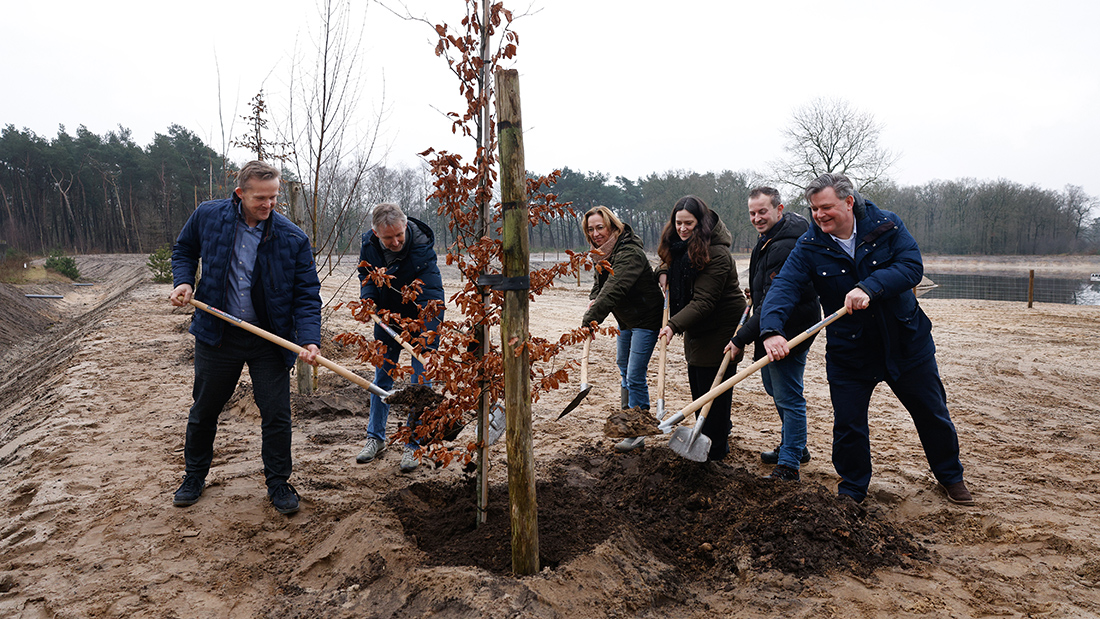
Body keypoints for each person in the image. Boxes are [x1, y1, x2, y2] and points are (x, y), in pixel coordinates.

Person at [759, 173, 973, 505]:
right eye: (814, 209)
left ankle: (950, 477)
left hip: (906, 342)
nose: (819, 215)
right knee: (849, 424)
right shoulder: (810, 244)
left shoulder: (887, 225)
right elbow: (784, 286)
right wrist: (771, 330)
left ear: (848, 201)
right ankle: (853, 488)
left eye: (826, 207)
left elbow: (910, 266)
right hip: (850, 350)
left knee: (932, 413)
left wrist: (869, 287)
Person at [169, 160, 322, 516]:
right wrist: (183, 280)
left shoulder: (292, 238)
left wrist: (309, 339)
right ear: (240, 193)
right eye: (260, 198)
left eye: (273, 198)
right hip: (217, 333)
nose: (268, 205)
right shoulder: (208, 216)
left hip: (269, 338)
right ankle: (194, 477)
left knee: (277, 414)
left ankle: (279, 482)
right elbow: (185, 249)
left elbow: (306, 294)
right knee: (205, 409)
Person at [726, 187, 820, 481]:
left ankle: (790, 462)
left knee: (789, 394)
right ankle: (797, 446)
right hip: (773, 325)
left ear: (779, 209)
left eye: (763, 211)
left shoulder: (785, 245)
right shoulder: (769, 239)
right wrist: (754, 290)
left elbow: (773, 301)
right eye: (752, 213)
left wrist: (740, 338)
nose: (757, 218)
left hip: (789, 328)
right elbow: (765, 293)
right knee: (773, 385)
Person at [354, 202, 444, 473]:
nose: (394, 242)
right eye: (387, 238)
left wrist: (426, 336)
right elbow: (366, 275)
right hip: (386, 318)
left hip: (422, 319)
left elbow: (432, 293)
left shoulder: (421, 248)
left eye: (398, 236)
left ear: (405, 227)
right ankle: (375, 438)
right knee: (382, 378)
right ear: (375, 233)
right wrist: (368, 298)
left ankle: (414, 444)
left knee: (421, 382)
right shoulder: (369, 245)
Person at [657, 196, 747, 461]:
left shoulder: (716, 253)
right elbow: (669, 259)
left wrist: (673, 325)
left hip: (720, 327)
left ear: (701, 224)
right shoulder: (680, 246)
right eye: (678, 223)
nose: (683, 229)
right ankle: (709, 439)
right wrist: (662, 271)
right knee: (699, 384)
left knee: (714, 393)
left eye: (689, 223)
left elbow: (704, 301)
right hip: (697, 326)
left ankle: (716, 451)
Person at [579, 206, 664, 452]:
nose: (595, 233)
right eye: (591, 229)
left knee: (635, 373)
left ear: (613, 227)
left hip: (647, 319)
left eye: (600, 227)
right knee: (623, 367)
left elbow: (615, 288)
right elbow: (601, 286)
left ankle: (638, 429)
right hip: (627, 319)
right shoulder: (602, 254)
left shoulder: (629, 253)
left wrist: (590, 320)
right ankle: (628, 420)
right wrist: (593, 300)